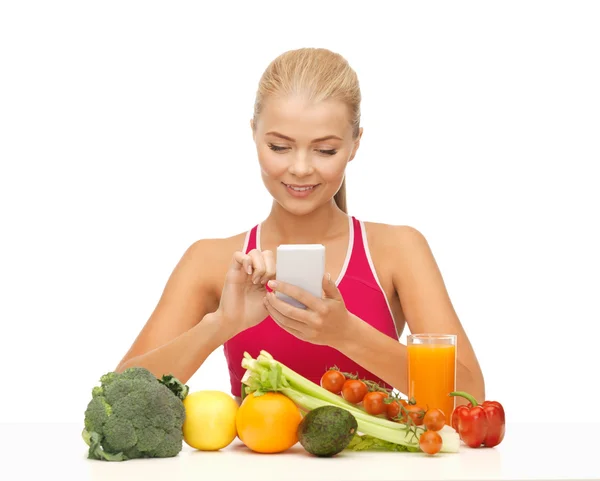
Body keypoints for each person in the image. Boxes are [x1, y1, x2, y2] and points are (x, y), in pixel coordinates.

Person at [115, 47, 485, 406]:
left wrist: (347, 335)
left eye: (325, 150)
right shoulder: (210, 260)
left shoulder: (398, 250)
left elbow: (470, 398)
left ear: (355, 144)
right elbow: (119, 398)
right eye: (279, 147)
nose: (301, 168)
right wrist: (221, 324)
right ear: (254, 135)